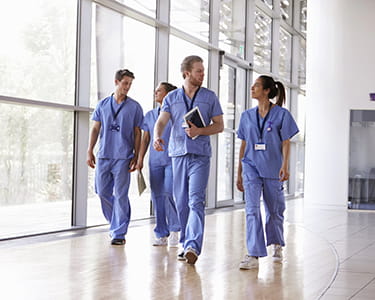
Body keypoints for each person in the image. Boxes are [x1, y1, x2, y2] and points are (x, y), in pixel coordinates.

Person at [153, 55, 224, 265]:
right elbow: (161, 121)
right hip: (178, 155)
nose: (203, 74)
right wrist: (157, 136)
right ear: (187, 73)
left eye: (203, 71)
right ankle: (185, 243)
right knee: (181, 202)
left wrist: (200, 130)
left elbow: (219, 125)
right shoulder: (172, 97)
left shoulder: (210, 97)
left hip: (200, 155)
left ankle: (193, 244)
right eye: (199, 71)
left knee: (195, 200)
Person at [236, 75, 299, 270]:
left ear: (266, 91)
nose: (251, 88)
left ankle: (277, 243)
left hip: (273, 167)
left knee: (274, 210)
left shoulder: (282, 115)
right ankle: (254, 253)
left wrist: (285, 166)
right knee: (252, 209)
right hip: (251, 167)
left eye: (256, 86)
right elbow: (243, 144)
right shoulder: (246, 116)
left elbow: (286, 142)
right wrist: (239, 172)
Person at [87, 69, 143, 246]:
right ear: (116, 82)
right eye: (125, 83)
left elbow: (137, 133)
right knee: (102, 191)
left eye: (130, 84)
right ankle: (116, 223)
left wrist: (136, 155)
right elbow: (95, 129)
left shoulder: (134, 107)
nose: (127, 87)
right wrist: (89, 150)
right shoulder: (102, 105)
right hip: (104, 155)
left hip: (123, 157)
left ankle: (119, 232)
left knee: (121, 195)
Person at [137, 82, 181, 247]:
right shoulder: (149, 115)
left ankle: (175, 229)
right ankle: (161, 232)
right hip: (155, 161)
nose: (156, 92)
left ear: (168, 94)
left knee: (169, 193)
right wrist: (140, 159)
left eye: (159, 90)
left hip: (172, 160)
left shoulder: (175, 114)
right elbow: (145, 139)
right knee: (157, 197)